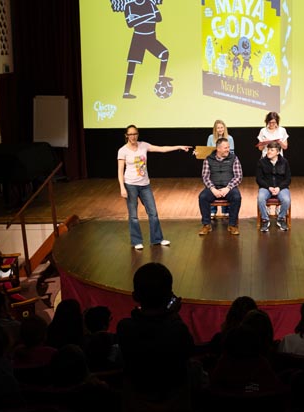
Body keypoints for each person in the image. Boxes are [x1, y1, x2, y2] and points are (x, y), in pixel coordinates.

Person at [116, 262, 195, 411]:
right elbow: (188, 351)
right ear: (170, 295)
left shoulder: (125, 328)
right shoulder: (178, 330)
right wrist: (173, 314)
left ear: (135, 296)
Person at [117, 124, 191, 249]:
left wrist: (179, 147)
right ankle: (136, 241)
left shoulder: (143, 145)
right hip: (130, 185)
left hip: (145, 185)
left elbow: (162, 149)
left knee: (153, 213)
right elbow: (120, 171)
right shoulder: (123, 150)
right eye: (130, 134)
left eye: (135, 134)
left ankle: (157, 239)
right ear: (126, 136)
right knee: (133, 216)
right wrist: (122, 187)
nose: (133, 136)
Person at [198, 137, 243, 236]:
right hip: (213, 188)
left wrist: (228, 188)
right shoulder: (208, 159)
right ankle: (206, 224)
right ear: (218, 149)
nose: (228, 150)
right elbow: (205, 177)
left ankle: (232, 225)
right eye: (225, 148)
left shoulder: (234, 158)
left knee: (237, 197)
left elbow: (238, 176)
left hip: (228, 188)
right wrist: (213, 189)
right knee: (203, 197)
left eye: (228, 147)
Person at [256, 141, 291, 232]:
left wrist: (279, 188)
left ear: (278, 152)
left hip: (281, 187)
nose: (269, 152)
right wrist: (269, 187)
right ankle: (265, 219)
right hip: (266, 187)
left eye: (272, 150)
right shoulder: (262, 162)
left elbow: (288, 179)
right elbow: (259, 179)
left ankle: (281, 218)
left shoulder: (284, 162)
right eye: (268, 149)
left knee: (286, 200)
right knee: (260, 198)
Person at [206, 120, 235, 218]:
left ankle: (225, 210)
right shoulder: (211, 137)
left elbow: (232, 152)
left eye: (221, 127)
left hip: (226, 164)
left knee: (225, 184)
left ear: (224, 128)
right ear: (215, 129)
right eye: (218, 128)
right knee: (213, 184)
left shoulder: (229, 138)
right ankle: (212, 210)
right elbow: (207, 151)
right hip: (214, 164)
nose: (220, 129)